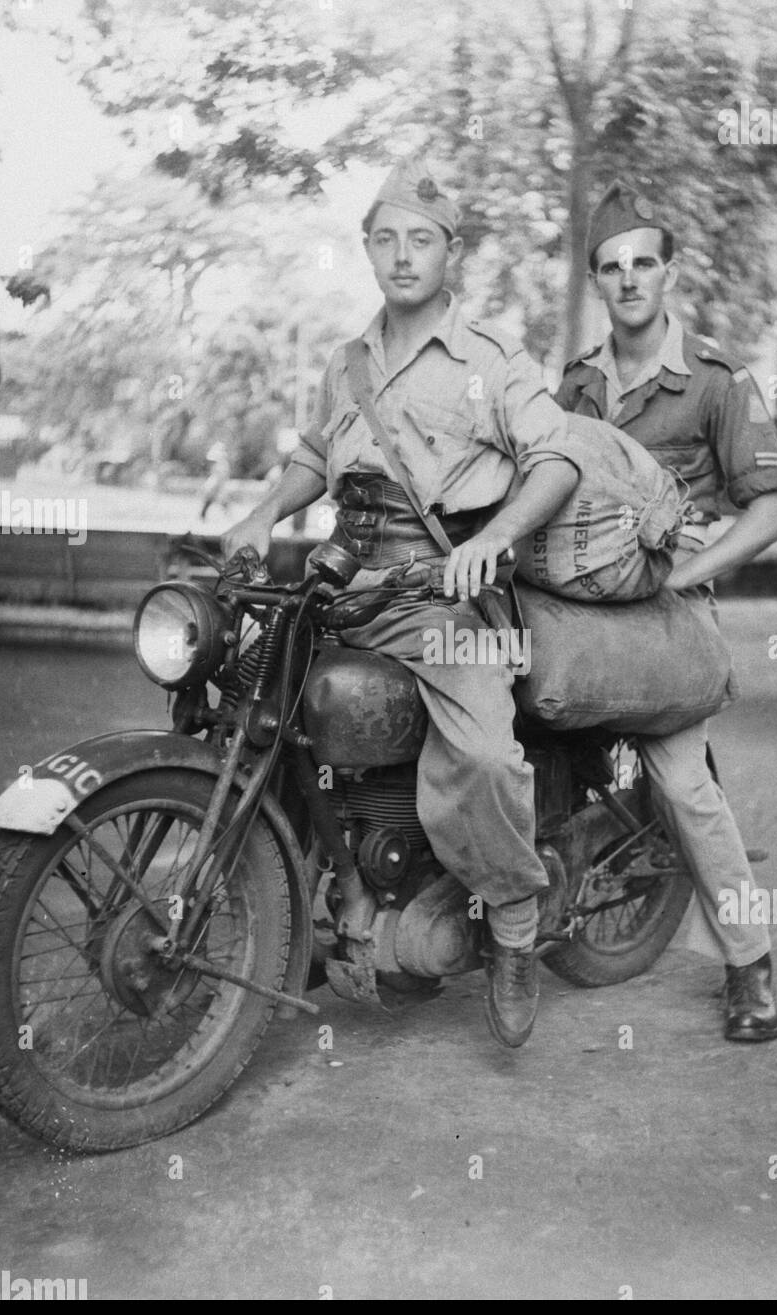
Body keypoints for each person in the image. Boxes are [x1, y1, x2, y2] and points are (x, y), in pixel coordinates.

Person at [225, 160, 580, 1047]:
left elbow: (559, 460)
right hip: (346, 578)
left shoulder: (492, 362)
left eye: (420, 239)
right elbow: (317, 454)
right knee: (245, 695)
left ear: (450, 252)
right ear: (368, 251)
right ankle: (311, 886)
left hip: (443, 592)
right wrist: (264, 513)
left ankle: (511, 933)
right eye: (385, 239)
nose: (402, 255)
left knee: (485, 755)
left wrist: (494, 541)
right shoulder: (348, 362)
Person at [556, 180, 777, 1041]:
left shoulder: (716, 383)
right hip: (577, 605)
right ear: (597, 281)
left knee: (683, 780)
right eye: (611, 267)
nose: (627, 280)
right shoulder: (575, 385)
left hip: (665, 615)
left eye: (643, 263)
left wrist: (690, 575)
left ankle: (748, 962)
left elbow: (770, 510)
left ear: (668, 273)